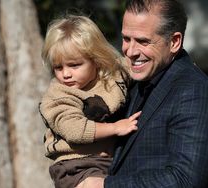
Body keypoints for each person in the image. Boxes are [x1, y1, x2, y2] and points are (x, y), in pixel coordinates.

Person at [80, 0, 208, 187]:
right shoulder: (134, 82)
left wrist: (106, 185)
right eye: (126, 39)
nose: (130, 51)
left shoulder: (195, 92)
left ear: (174, 42)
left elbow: (185, 180)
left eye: (143, 41)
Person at [38, 15, 141, 188]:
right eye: (58, 67)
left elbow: (138, 68)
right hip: (75, 165)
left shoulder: (114, 74)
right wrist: (116, 128)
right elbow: (75, 129)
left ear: (96, 59)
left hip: (111, 160)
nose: (66, 74)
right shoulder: (58, 95)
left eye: (74, 65)